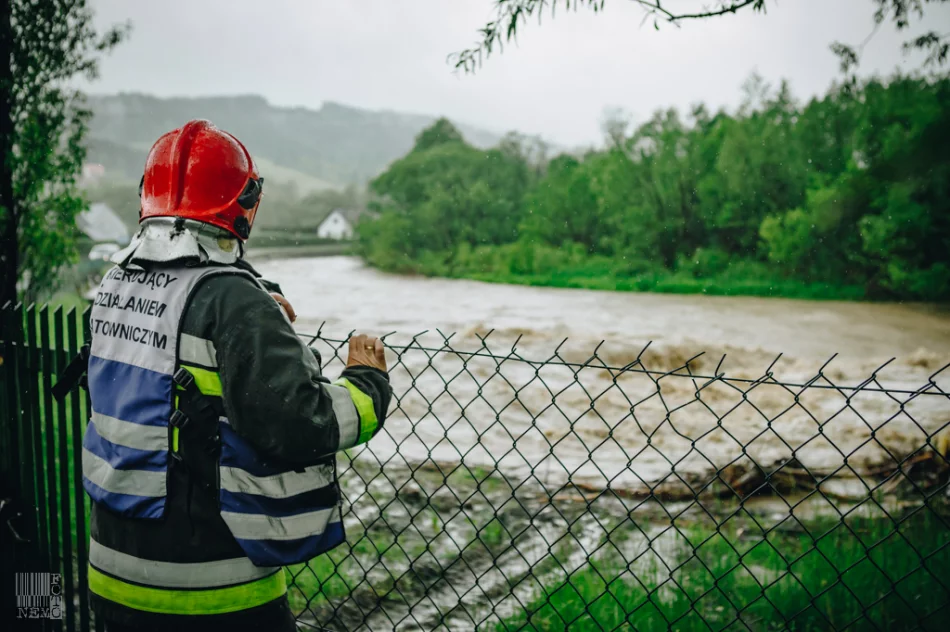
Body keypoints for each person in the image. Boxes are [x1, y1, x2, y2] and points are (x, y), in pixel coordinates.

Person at [77, 120, 391, 631]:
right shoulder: (233, 302)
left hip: (112, 574)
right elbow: (302, 422)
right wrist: (367, 383)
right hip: (209, 592)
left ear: (148, 195)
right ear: (243, 203)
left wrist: (254, 300)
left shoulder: (116, 284)